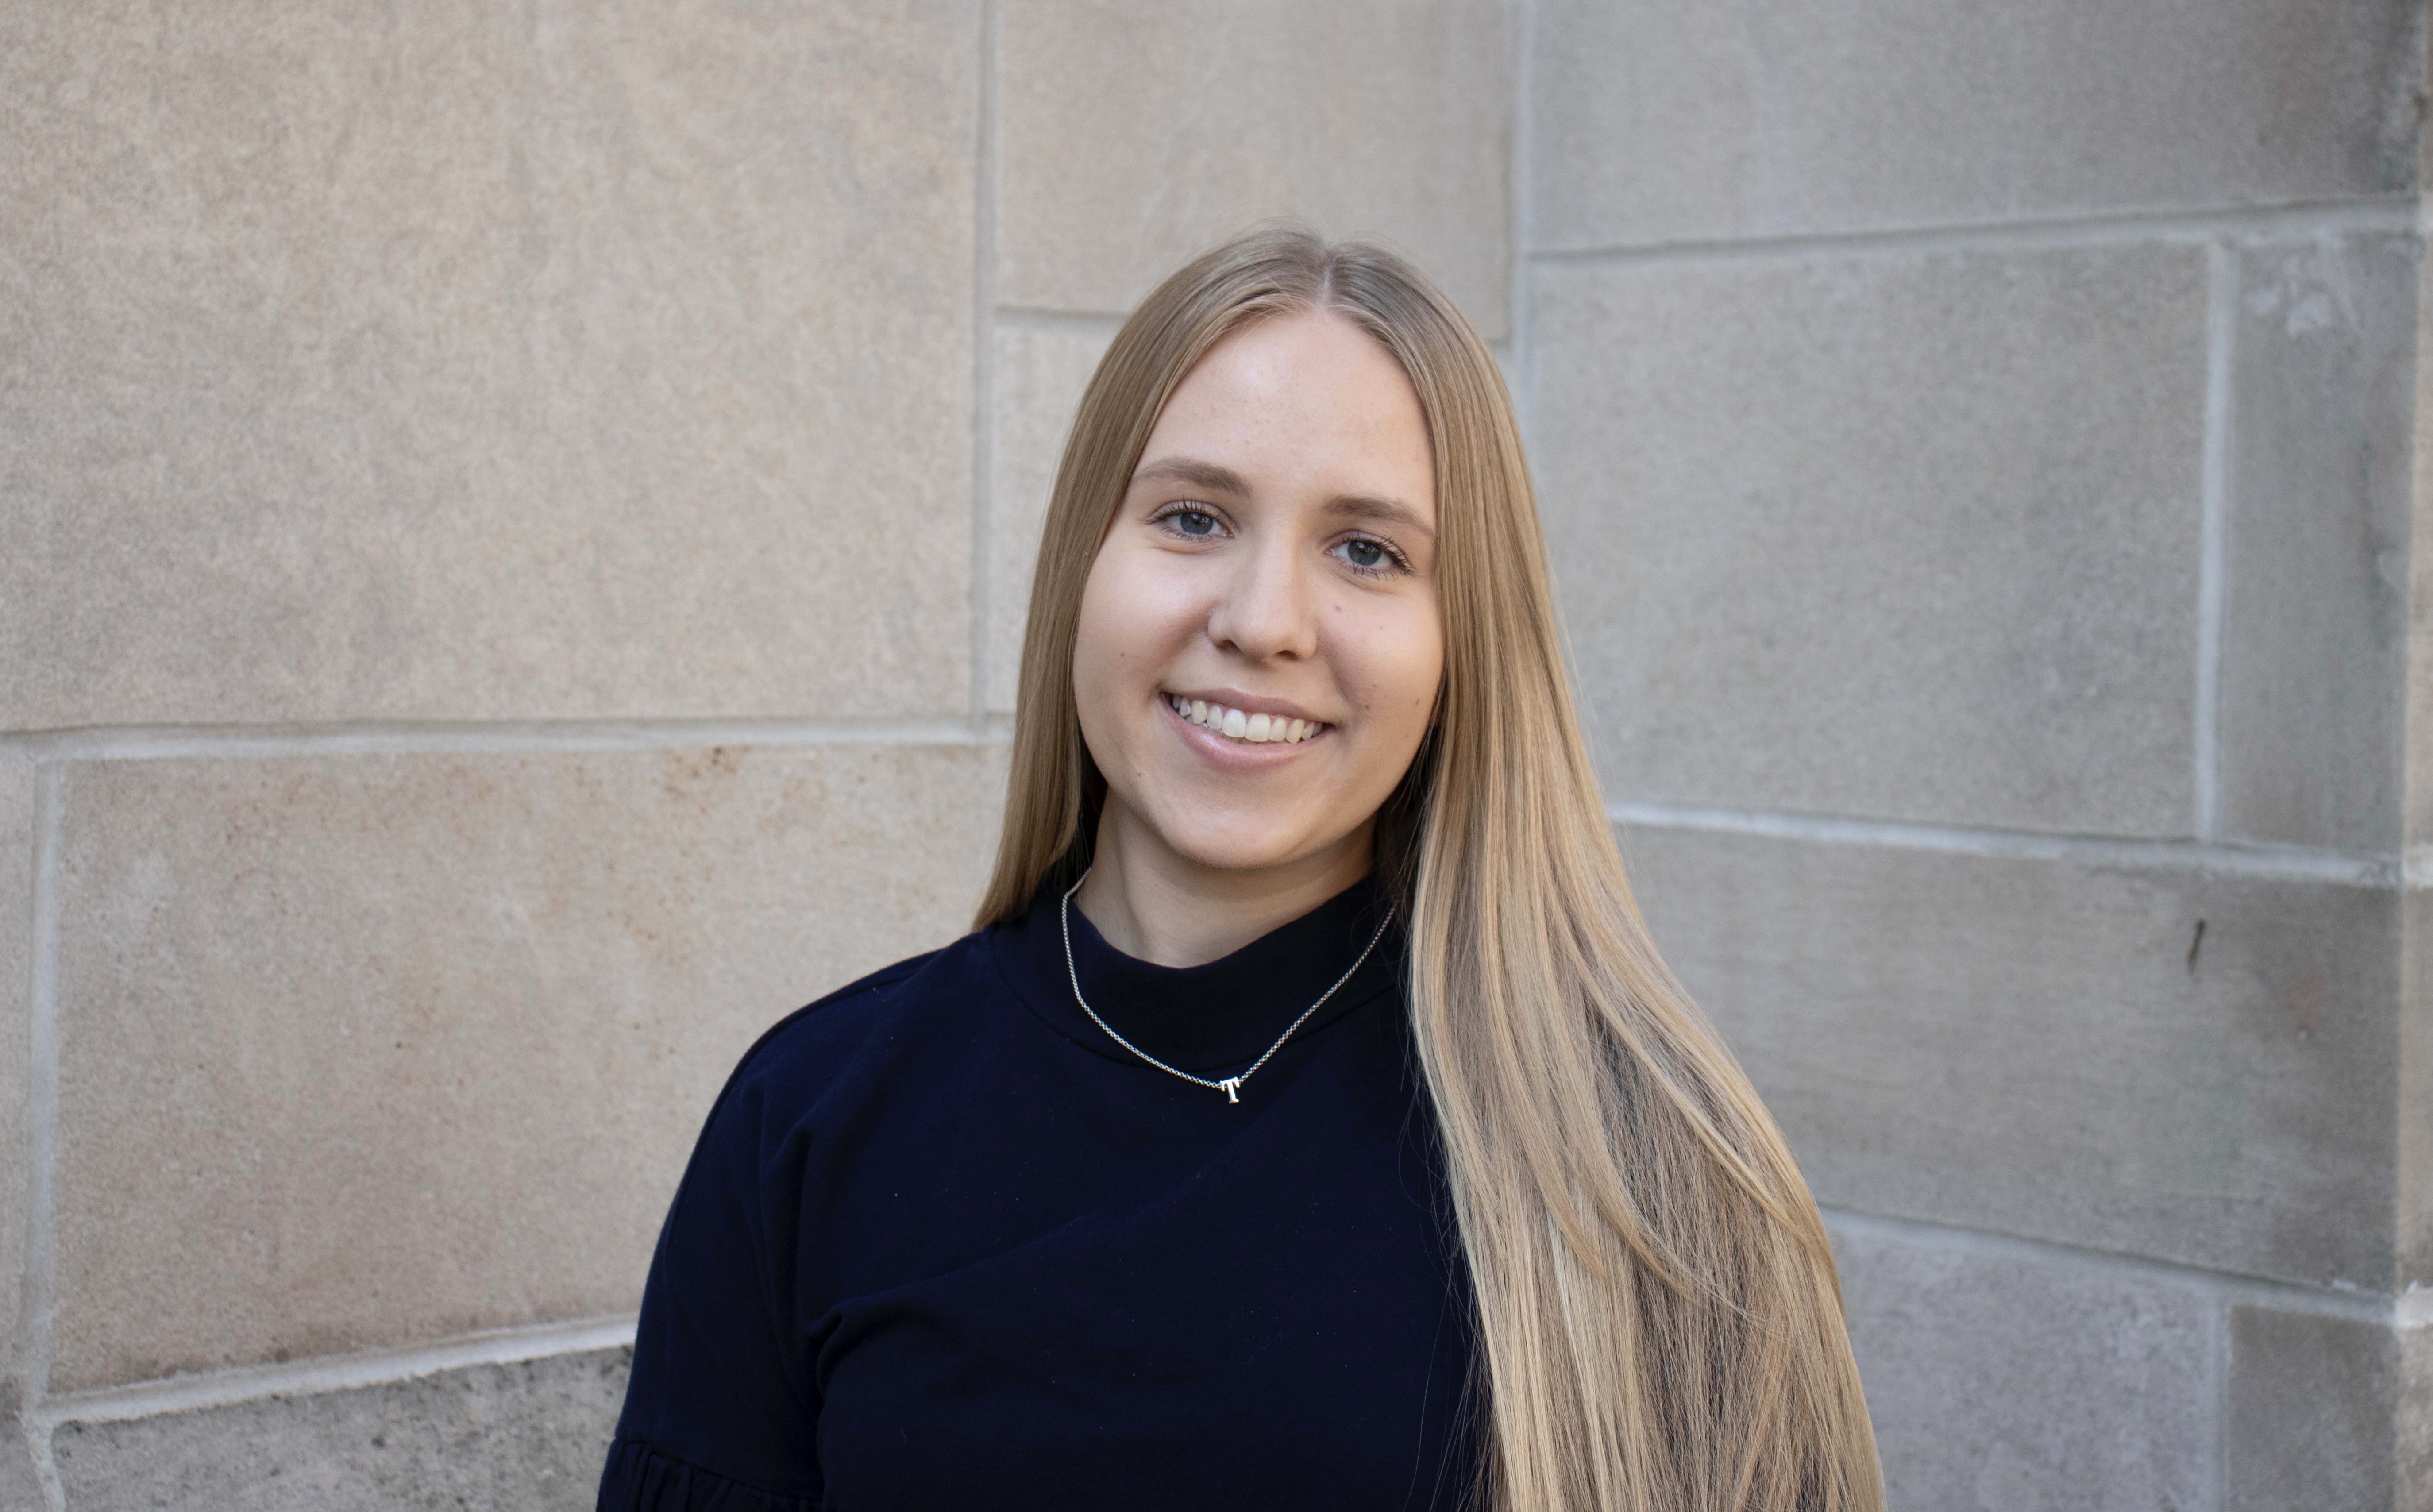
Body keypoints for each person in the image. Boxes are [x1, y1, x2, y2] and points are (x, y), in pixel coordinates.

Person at [597, 227, 1883, 1512]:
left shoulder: (1646, 1172)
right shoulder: (815, 1118)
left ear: (1463, 643)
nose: (1262, 621)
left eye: (1366, 550)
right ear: (1081, 569)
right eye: (1193, 517)